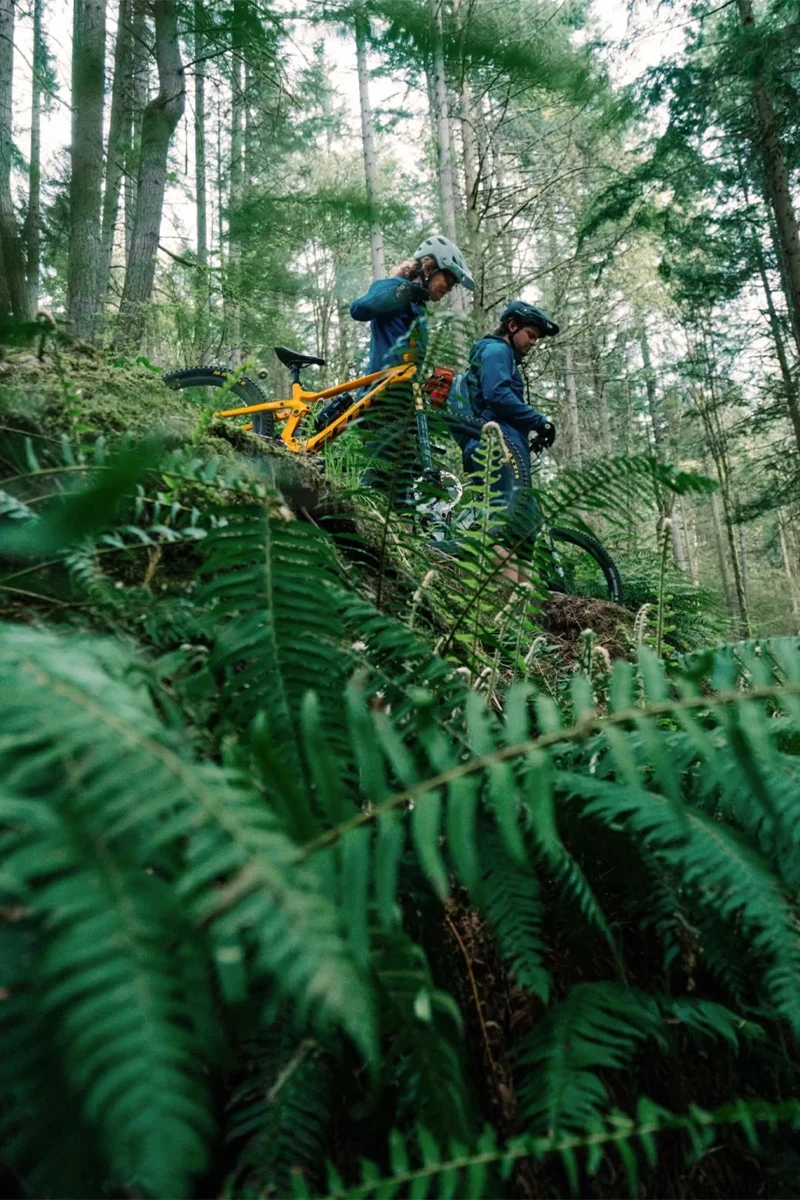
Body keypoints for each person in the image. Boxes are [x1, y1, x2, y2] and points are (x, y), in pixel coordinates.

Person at [331, 236, 474, 497]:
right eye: (448, 280)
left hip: (404, 405)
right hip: (381, 401)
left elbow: (405, 360)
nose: (449, 289)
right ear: (429, 268)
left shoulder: (418, 310)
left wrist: (425, 382)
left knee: (408, 481)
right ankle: (363, 525)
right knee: (382, 482)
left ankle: (397, 532)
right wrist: (402, 291)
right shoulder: (394, 288)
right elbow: (359, 309)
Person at [459, 299, 559, 554]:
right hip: (496, 447)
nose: (533, 342)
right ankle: (498, 591)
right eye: (531, 335)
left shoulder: (503, 357)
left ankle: (520, 590)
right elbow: (498, 395)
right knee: (504, 525)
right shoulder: (496, 351)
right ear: (512, 326)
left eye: (537, 338)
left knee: (524, 527)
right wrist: (540, 421)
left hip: (508, 448)